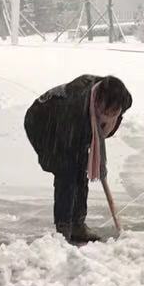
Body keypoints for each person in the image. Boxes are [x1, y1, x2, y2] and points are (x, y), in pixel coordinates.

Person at [24, 75, 134, 245]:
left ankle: (77, 224)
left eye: (115, 111)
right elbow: (69, 144)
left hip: (73, 124)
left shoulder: (123, 100)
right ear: (98, 100)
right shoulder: (75, 106)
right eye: (107, 110)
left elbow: (102, 129)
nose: (111, 114)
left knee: (81, 170)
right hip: (43, 122)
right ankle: (64, 227)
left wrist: (102, 129)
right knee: (67, 172)